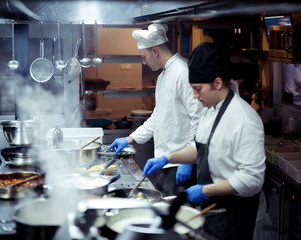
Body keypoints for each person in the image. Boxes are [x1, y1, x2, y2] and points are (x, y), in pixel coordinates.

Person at [141, 42, 266, 240]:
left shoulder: (244, 119)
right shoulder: (209, 111)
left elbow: (252, 180)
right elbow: (199, 148)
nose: (194, 95)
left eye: (198, 89)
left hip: (236, 214)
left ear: (217, 83)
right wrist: (167, 158)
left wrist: (205, 190)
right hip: (212, 211)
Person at [109, 23, 203, 196]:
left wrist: (188, 161)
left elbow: (199, 118)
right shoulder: (163, 75)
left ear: (155, 51)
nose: (143, 62)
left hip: (180, 164)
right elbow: (157, 117)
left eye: (143, 56)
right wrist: (129, 139)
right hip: (165, 161)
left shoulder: (183, 72)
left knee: (177, 217)